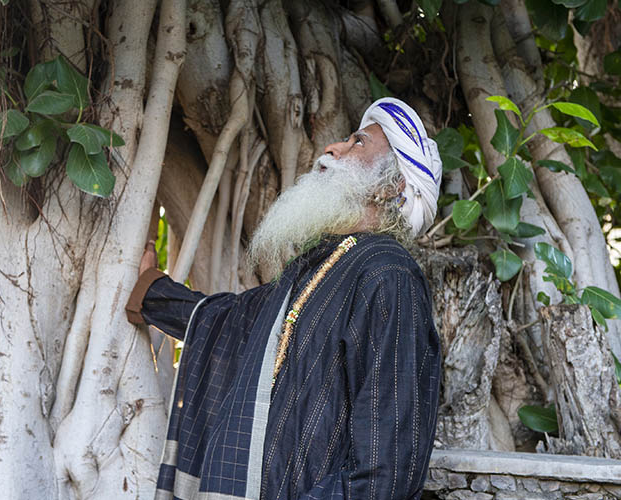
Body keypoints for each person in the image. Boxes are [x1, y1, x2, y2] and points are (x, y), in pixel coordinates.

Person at [126, 97, 442, 500]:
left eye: (357, 143)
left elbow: (386, 468)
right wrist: (151, 290)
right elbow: (234, 320)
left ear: (392, 185)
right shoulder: (320, 264)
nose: (332, 149)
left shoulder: (389, 274)